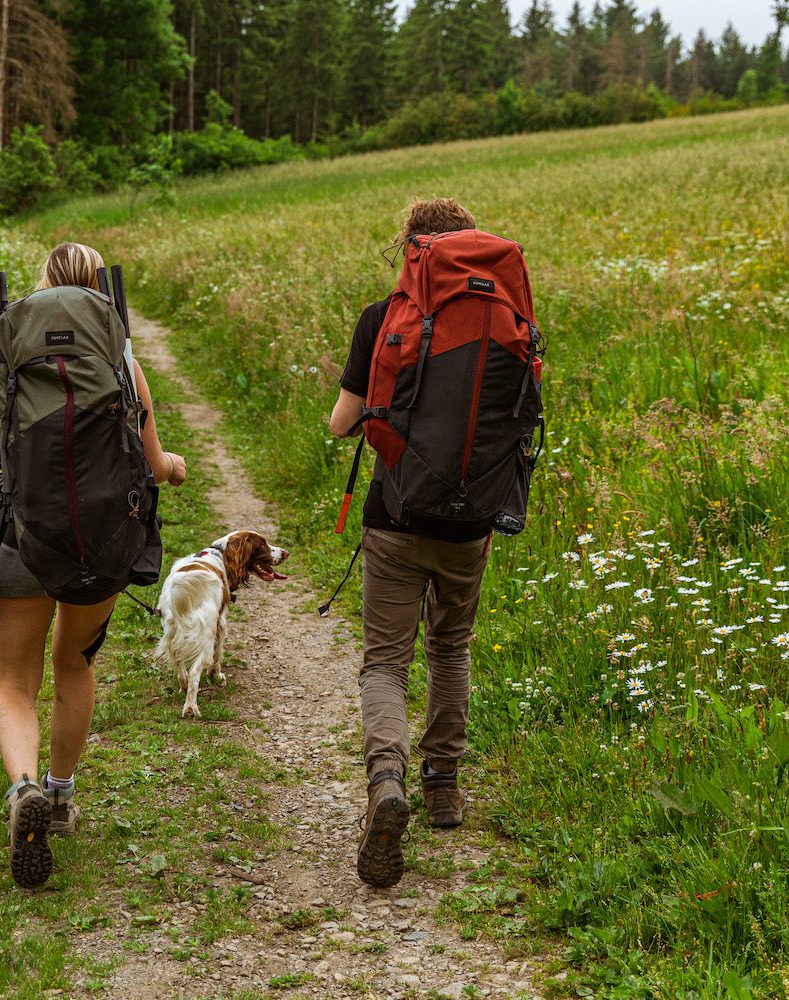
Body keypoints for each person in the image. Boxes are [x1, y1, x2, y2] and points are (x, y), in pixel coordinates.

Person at [0, 242, 188, 887]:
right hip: (100, 543)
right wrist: (176, 470)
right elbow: (153, 463)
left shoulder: (14, 365)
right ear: (100, 292)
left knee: (13, 682)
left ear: (43, 286)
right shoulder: (121, 362)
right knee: (74, 663)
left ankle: (22, 788)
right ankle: (59, 797)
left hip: (22, 538)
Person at [327, 199, 493, 888]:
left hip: (393, 517)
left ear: (413, 249)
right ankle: (444, 785)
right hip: (471, 522)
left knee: (385, 663)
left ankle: (386, 784)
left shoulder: (382, 317)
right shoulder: (500, 323)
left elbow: (342, 424)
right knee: (449, 647)